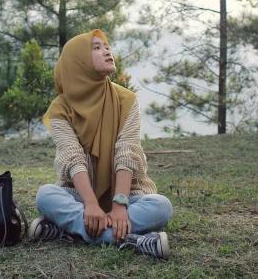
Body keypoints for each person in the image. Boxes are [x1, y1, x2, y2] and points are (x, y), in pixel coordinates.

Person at [28, 29, 173, 260]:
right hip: (79, 196)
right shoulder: (60, 109)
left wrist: (119, 206)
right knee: (46, 195)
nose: (107, 51)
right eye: (96, 47)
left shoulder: (127, 100)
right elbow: (72, 157)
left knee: (162, 205)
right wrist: (90, 205)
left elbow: (126, 154)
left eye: (106, 46)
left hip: (127, 198)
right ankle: (135, 241)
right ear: (79, 61)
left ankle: (68, 232)